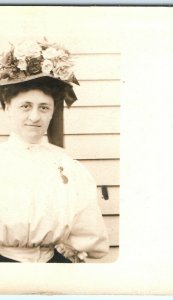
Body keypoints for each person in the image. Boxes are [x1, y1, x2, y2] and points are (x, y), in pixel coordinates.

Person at [0, 38, 109, 263]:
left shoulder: (67, 166)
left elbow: (87, 231)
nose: (35, 117)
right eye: (25, 106)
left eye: (44, 108)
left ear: (52, 113)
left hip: (53, 266)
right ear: (7, 108)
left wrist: (74, 252)